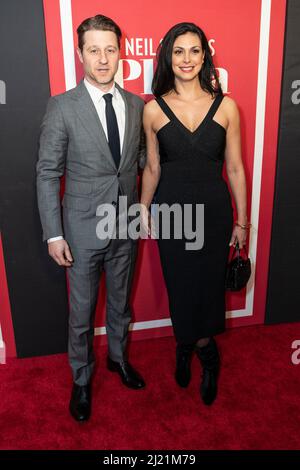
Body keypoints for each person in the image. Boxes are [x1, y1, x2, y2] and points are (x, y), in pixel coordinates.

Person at [37, 14, 146, 422]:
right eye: (94, 50)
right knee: (81, 314)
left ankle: (118, 360)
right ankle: (81, 378)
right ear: (80, 53)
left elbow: (135, 162)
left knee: (121, 304)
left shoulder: (136, 105)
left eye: (110, 49)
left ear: (121, 53)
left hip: (126, 226)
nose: (103, 59)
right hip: (81, 231)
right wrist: (54, 235)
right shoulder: (62, 106)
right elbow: (47, 172)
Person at [141, 22, 249, 405]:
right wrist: (142, 208)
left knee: (206, 288)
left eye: (194, 51)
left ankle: (205, 351)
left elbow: (235, 168)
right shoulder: (153, 109)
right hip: (170, 213)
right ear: (168, 57)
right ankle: (187, 344)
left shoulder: (227, 107)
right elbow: (152, 167)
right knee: (180, 286)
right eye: (178, 51)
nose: (186, 59)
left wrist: (242, 221)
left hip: (214, 214)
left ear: (205, 56)